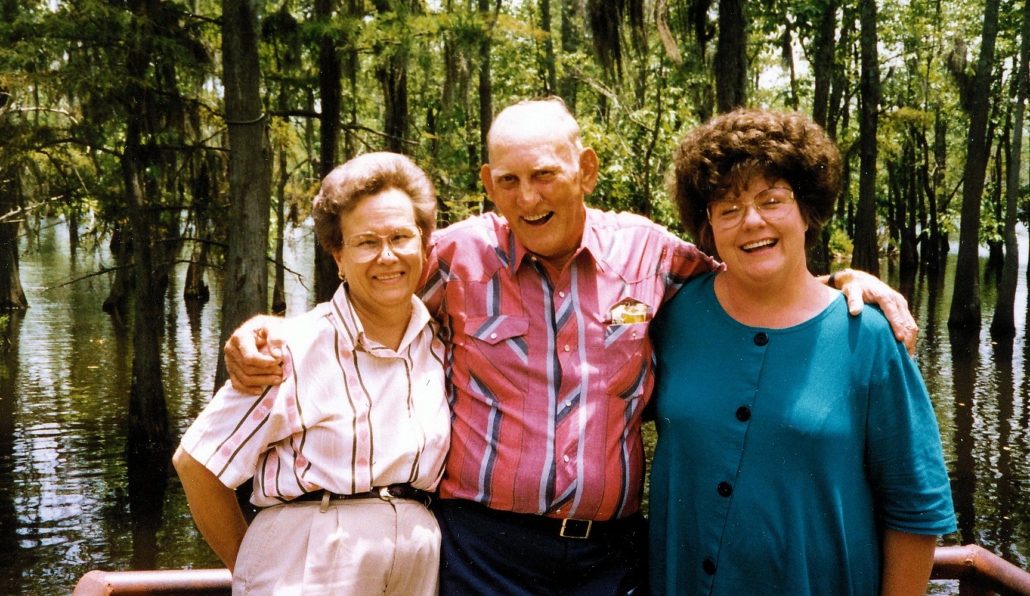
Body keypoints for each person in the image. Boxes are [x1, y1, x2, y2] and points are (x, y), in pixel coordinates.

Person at [224, 98, 919, 595]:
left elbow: (753, 279)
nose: (528, 197)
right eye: (509, 180)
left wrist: (845, 282)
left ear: (584, 168)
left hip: (608, 557)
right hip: (480, 550)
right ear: (490, 183)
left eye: (545, 174)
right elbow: (368, 294)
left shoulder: (649, 255)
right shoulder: (455, 257)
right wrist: (272, 328)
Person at [648, 109, 956, 596]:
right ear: (707, 225)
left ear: (808, 210)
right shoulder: (671, 317)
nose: (752, 221)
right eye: (727, 209)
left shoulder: (868, 337)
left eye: (772, 200)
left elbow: (916, 509)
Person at [173, 152, 450, 595]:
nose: (387, 256)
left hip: (417, 564)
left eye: (401, 236)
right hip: (312, 563)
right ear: (337, 256)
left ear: (424, 241)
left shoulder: (439, 344)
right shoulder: (293, 349)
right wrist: (252, 568)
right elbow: (197, 463)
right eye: (365, 242)